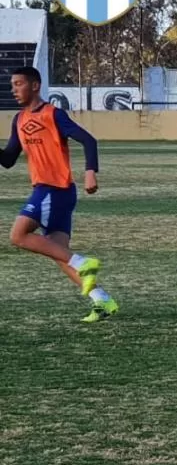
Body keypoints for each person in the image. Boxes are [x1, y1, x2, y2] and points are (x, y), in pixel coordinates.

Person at [0, 65, 118, 322]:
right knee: (57, 251)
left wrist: (90, 171)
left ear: (35, 85)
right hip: (53, 192)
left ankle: (82, 261)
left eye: (19, 84)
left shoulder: (53, 114)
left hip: (53, 188)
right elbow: (8, 158)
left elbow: (89, 140)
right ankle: (102, 300)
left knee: (18, 235)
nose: (14, 90)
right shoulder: (19, 119)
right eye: (12, 85)